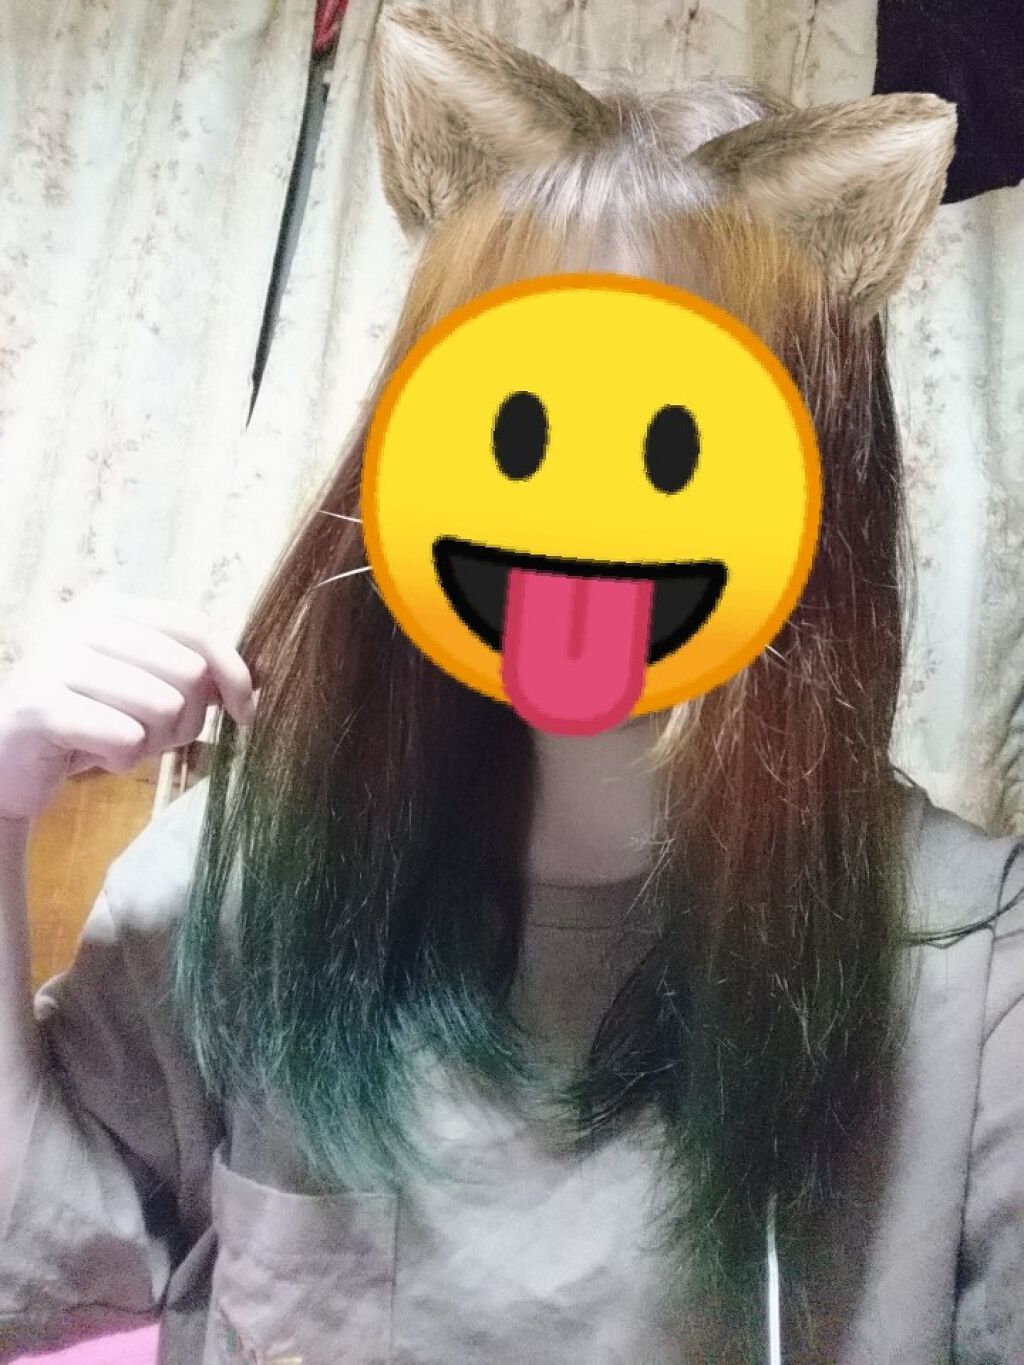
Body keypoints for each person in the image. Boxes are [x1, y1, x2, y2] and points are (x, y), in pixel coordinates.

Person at [1, 7, 1022, 1363]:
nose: (581, 521)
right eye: (524, 431)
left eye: (670, 447)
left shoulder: (972, 964)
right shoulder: (249, 879)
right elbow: (32, 1259)